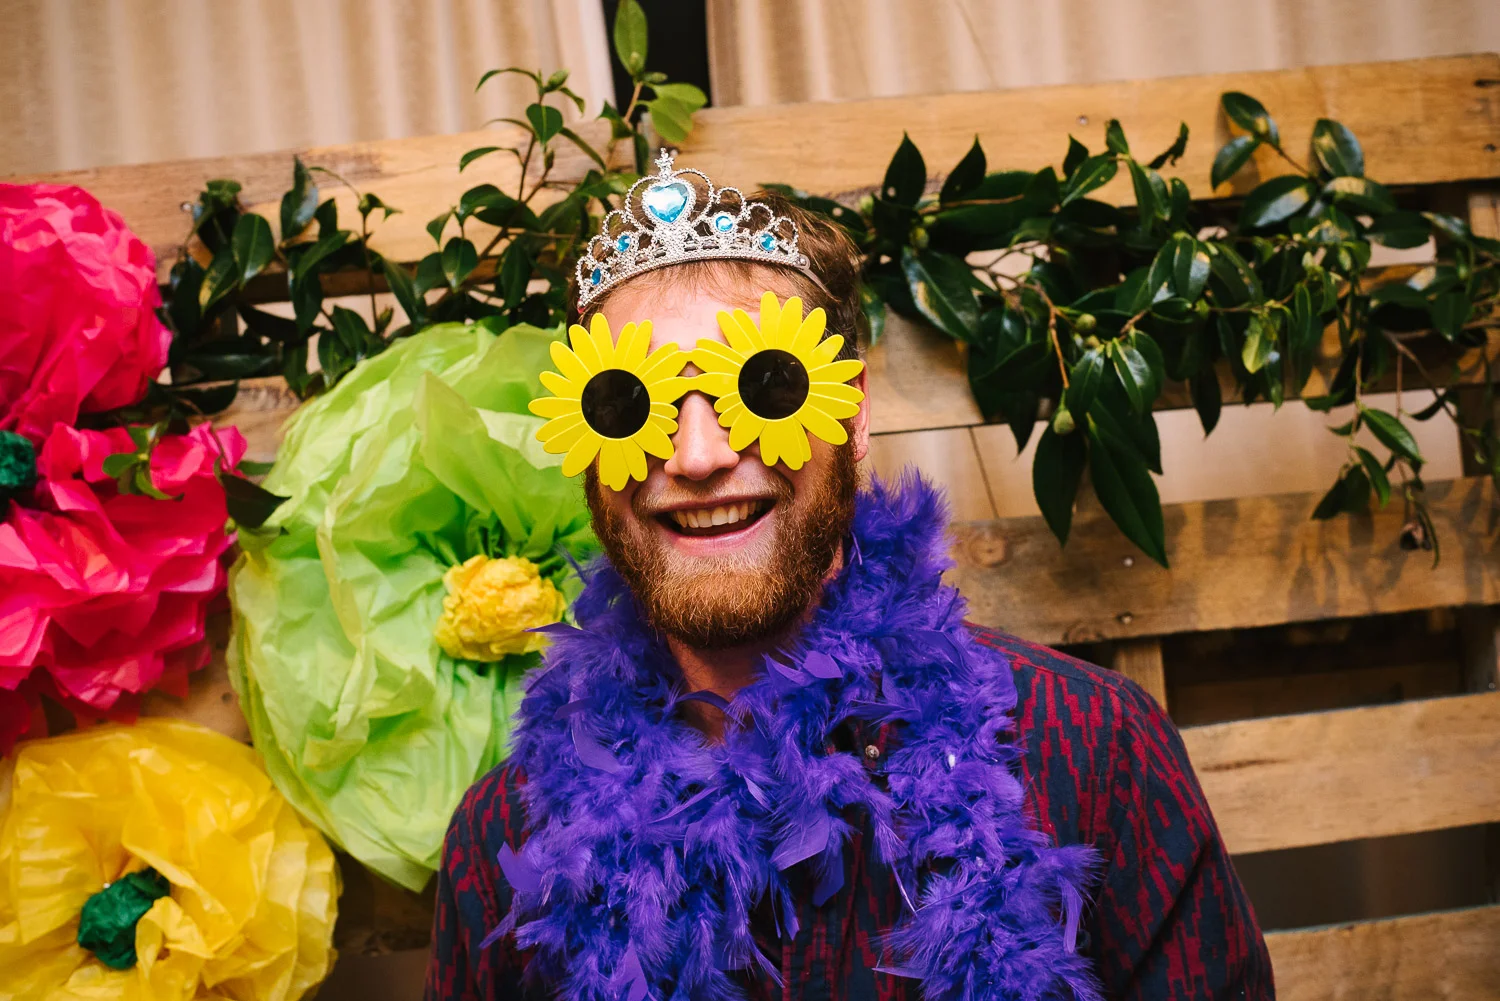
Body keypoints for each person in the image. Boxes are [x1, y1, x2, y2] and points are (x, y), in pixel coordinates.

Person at [427, 153, 1273, 1001]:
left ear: (854, 413)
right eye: (628, 404)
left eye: (762, 386)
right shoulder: (505, 842)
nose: (697, 455)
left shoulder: (1092, 750)